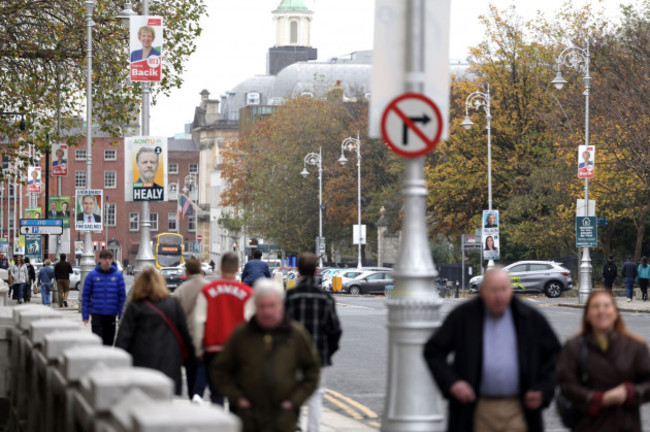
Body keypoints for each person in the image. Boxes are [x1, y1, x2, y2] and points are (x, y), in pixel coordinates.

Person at [424, 268, 561, 432]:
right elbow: (433, 351)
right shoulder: (463, 316)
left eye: (503, 290)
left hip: (519, 408)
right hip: (477, 409)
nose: (499, 296)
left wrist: (543, 389)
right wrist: (452, 383)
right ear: (482, 291)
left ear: (511, 290)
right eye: (493, 290)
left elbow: (555, 355)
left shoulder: (529, 317)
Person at [211, 279, 320, 432]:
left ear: (281, 305)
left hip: (284, 420)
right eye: (262, 306)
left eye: (272, 305)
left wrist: (294, 400)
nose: (267, 311)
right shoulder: (241, 335)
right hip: (249, 420)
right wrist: (237, 398)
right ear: (255, 306)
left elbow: (312, 369)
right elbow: (220, 369)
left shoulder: (295, 334)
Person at [556, 290, 650, 431]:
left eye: (607, 306)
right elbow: (566, 385)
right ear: (587, 315)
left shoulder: (635, 346)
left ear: (615, 312)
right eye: (595, 306)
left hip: (626, 425)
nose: (601, 311)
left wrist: (631, 393)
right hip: (589, 425)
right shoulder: (573, 346)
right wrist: (599, 399)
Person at [285, 252, 342, 432]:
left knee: (293, 392)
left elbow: (281, 328)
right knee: (316, 395)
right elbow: (335, 330)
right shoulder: (325, 298)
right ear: (316, 271)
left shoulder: (290, 297)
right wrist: (328, 352)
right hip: (318, 354)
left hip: (293, 355)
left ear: (298, 271)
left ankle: (295, 426)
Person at [116, 267, 192, 396]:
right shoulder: (173, 304)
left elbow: (123, 339)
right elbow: (185, 335)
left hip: (141, 364)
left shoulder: (135, 307)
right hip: (170, 363)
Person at [194, 252, 253, 405]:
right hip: (238, 352)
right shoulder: (247, 293)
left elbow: (199, 321)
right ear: (238, 268)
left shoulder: (207, 291)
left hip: (213, 349)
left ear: (220, 268)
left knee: (216, 395)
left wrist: (199, 349)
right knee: (236, 398)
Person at [172, 258, 210, 400]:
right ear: (201, 270)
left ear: (186, 272)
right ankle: (197, 394)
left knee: (190, 368)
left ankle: (191, 394)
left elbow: (175, 315)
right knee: (202, 365)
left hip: (187, 335)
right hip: (204, 334)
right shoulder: (208, 288)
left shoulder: (180, 291)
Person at [81, 250, 126, 345]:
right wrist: (85, 315)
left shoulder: (117, 276)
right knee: (97, 342)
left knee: (108, 342)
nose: (107, 261)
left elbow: (122, 298)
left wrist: (121, 315)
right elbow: (86, 296)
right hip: (97, 314)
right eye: (105, 258)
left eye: (109, 259)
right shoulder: (92, 275)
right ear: (100, 259)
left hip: (111, 315)